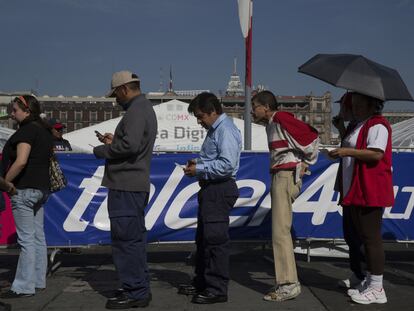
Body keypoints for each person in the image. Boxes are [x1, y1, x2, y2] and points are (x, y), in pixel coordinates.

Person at [93, 70, 157, 309]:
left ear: (123, 89)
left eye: (115, 94)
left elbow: (129, 146)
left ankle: (135, 291)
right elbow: (131, 144)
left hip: (125, 185)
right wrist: (115, 142)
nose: (115, 99)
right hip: (133, 185)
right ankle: (137, 287)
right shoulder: (143, 108)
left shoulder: (136, 111)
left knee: (126, 241)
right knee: (133, 240)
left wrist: (101, 151)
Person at [250, 90, 319, 302]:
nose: (252, 110)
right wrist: (305, 163)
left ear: (266, 107)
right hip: (283, 175)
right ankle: (287, 282)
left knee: (280, 231)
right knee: (281, 230)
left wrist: (307, 161)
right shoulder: (274, 122)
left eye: (254, 106)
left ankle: (288, 284)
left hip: (284, 176)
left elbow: (311, 137)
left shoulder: (280, 118)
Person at [329, 92, 393, 305]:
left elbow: (376, 154)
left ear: (371, 104)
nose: (354, 107)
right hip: (356, 188)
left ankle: (377, 288)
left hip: (370, 188)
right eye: (352, 104)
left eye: (358, 104)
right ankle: (369, 281)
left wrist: (346, 151)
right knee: (362, 237)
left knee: (371, 239)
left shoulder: (377, 125)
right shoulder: (360, 124)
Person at [178, 92, 241, 304]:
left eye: (201, 116)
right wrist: (198, 163)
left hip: (219, 188)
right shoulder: (217, 130)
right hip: (213, 188)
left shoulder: (225, 130)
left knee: (215, 241)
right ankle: (203, 283)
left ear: (213, 111)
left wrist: (200, 169)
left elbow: (227, 165)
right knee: (204, 240)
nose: (199, 121)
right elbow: (218, 160)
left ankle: (217, 289)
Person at [1, 95, 53, 298]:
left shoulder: (27, 131)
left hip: (24, 189)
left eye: (14, 110)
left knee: (26, 240)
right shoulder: (44, 131)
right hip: (41, 189)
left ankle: (23, 285)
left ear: (26, 111)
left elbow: (21, 161)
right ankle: (38, 281)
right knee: (38, 237)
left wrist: (6, 181)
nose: (11, 114)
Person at [332, 93, 366, 289]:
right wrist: (342, 129)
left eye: (343, 106)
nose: (341, 110)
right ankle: (357, 273)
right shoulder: (353, 126)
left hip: (357, 187)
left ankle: (365, 276)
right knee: (350, 235)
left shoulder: (366, 125)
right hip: (347, 187)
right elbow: (346, 147)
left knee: (359, 236)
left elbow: (359, 152)